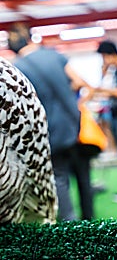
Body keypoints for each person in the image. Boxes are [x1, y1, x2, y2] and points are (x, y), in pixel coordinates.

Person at [8, 23, 95, 220]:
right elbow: (81, 84)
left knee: (60, 177)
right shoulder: (54, 55)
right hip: (75, 126)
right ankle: (89, 221)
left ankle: (69, 225)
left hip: (50, 133)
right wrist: (74, 102)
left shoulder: (17, 69)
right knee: (83, 176)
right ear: (31, 37)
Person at [95, 40, 117, 202]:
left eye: (104, 57)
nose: (103, 60)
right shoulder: (114, 72)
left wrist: (106, 91)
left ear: (111, 55)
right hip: (115, 117)